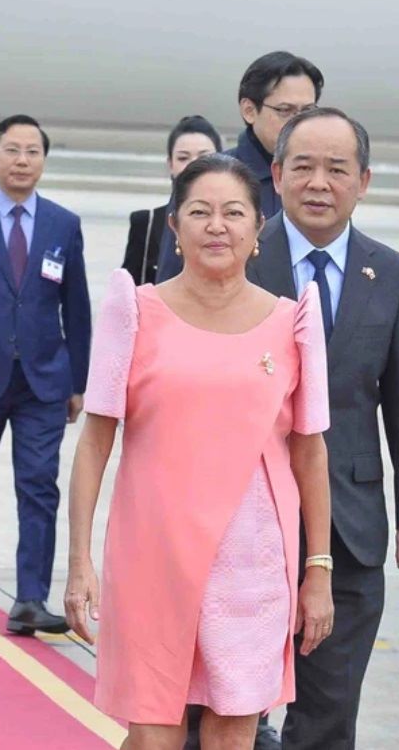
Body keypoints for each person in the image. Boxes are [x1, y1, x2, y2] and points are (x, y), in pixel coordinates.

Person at [65, 153, 335, 750]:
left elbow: (310, 454)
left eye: (234, 212)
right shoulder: (134, 310)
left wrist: (318, 570)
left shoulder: (293, 322)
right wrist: (80, 560)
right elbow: (94, 445)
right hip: (152, 554)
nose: (218, 226)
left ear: (257, 229)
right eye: (200, 212)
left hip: (253, 564)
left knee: (233, 733)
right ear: (175, 227)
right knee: (154, 732)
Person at [253, 107, 399, 749]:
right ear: (276, 175)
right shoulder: (236, 258)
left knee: (329, 717)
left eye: (337, 169)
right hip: (245, 519)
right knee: (222, 712)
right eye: (302, 166)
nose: (319, 183)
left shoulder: (392, 275)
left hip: (350, 528)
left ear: (364, 180)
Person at [0, 114, 91, 633]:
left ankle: (30, 597)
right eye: (12, 150)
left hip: (42, 381)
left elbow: (77, 307)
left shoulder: (62, 224)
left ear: (43, 161)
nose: (22, 160)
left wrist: (78, 382)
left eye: (32, 151)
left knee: (39, 487)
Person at [157, 51, 323, 286]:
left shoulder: (321, 182)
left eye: (307, 112)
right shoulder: (207, 177)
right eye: (285, 111)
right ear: (249, 110)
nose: (298, 123)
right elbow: (172, 276)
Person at [121, 115, 221, 285]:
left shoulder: (234, 222)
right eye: (183, 158)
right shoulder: (147, 224)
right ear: (170, 164)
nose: (193, 165)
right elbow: (127, 293)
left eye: (204, 156)